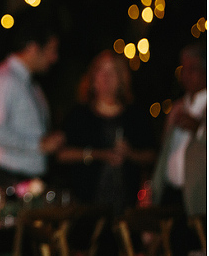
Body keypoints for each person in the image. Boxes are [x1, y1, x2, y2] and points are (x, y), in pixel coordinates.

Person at [55, 51, 156, 212]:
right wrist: (98, 154)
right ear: (93, 77)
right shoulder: (79, 114)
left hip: (126, 205)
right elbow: (61, 154)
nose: (106, 78)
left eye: (112, 72)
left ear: (122, 78)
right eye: (101, 71)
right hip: (85, 205)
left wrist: (130, 153)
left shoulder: (135, 115)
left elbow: (151, 154)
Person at [0, 21, 64, 187]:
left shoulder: (31, 85)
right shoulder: (2, 79)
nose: (54, 58)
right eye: (52, 50)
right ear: (32, 48)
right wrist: (39, 144)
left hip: (24, 181)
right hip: (4, 179)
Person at [152, 43, 208, 214]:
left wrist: (199, 129)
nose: (186, 75)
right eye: (183, 69)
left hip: (196, 198)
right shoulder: (177, 107)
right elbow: (164, 151)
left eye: (193, 69)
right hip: (170, 194)